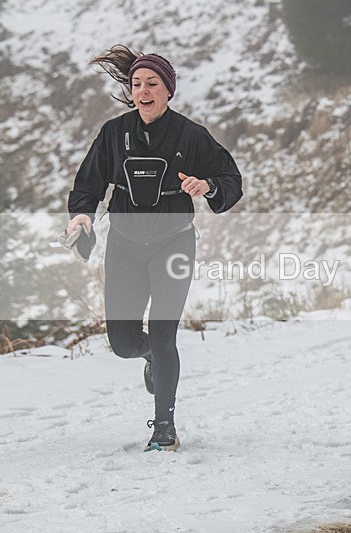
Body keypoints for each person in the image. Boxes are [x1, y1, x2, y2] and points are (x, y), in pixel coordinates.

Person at [67, 45, 243, 451]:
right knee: (123, 342)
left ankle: (164, 425)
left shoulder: (191, 136)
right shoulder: (114, 133)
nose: (143, 90)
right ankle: (147, 355)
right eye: (137, 84)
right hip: (125, 245)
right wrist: (81, 216)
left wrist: (208, 186)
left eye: (152, 84)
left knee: (165, 336)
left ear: (168, 90)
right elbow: (88, 184)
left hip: (173, 244)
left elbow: (230, 181)